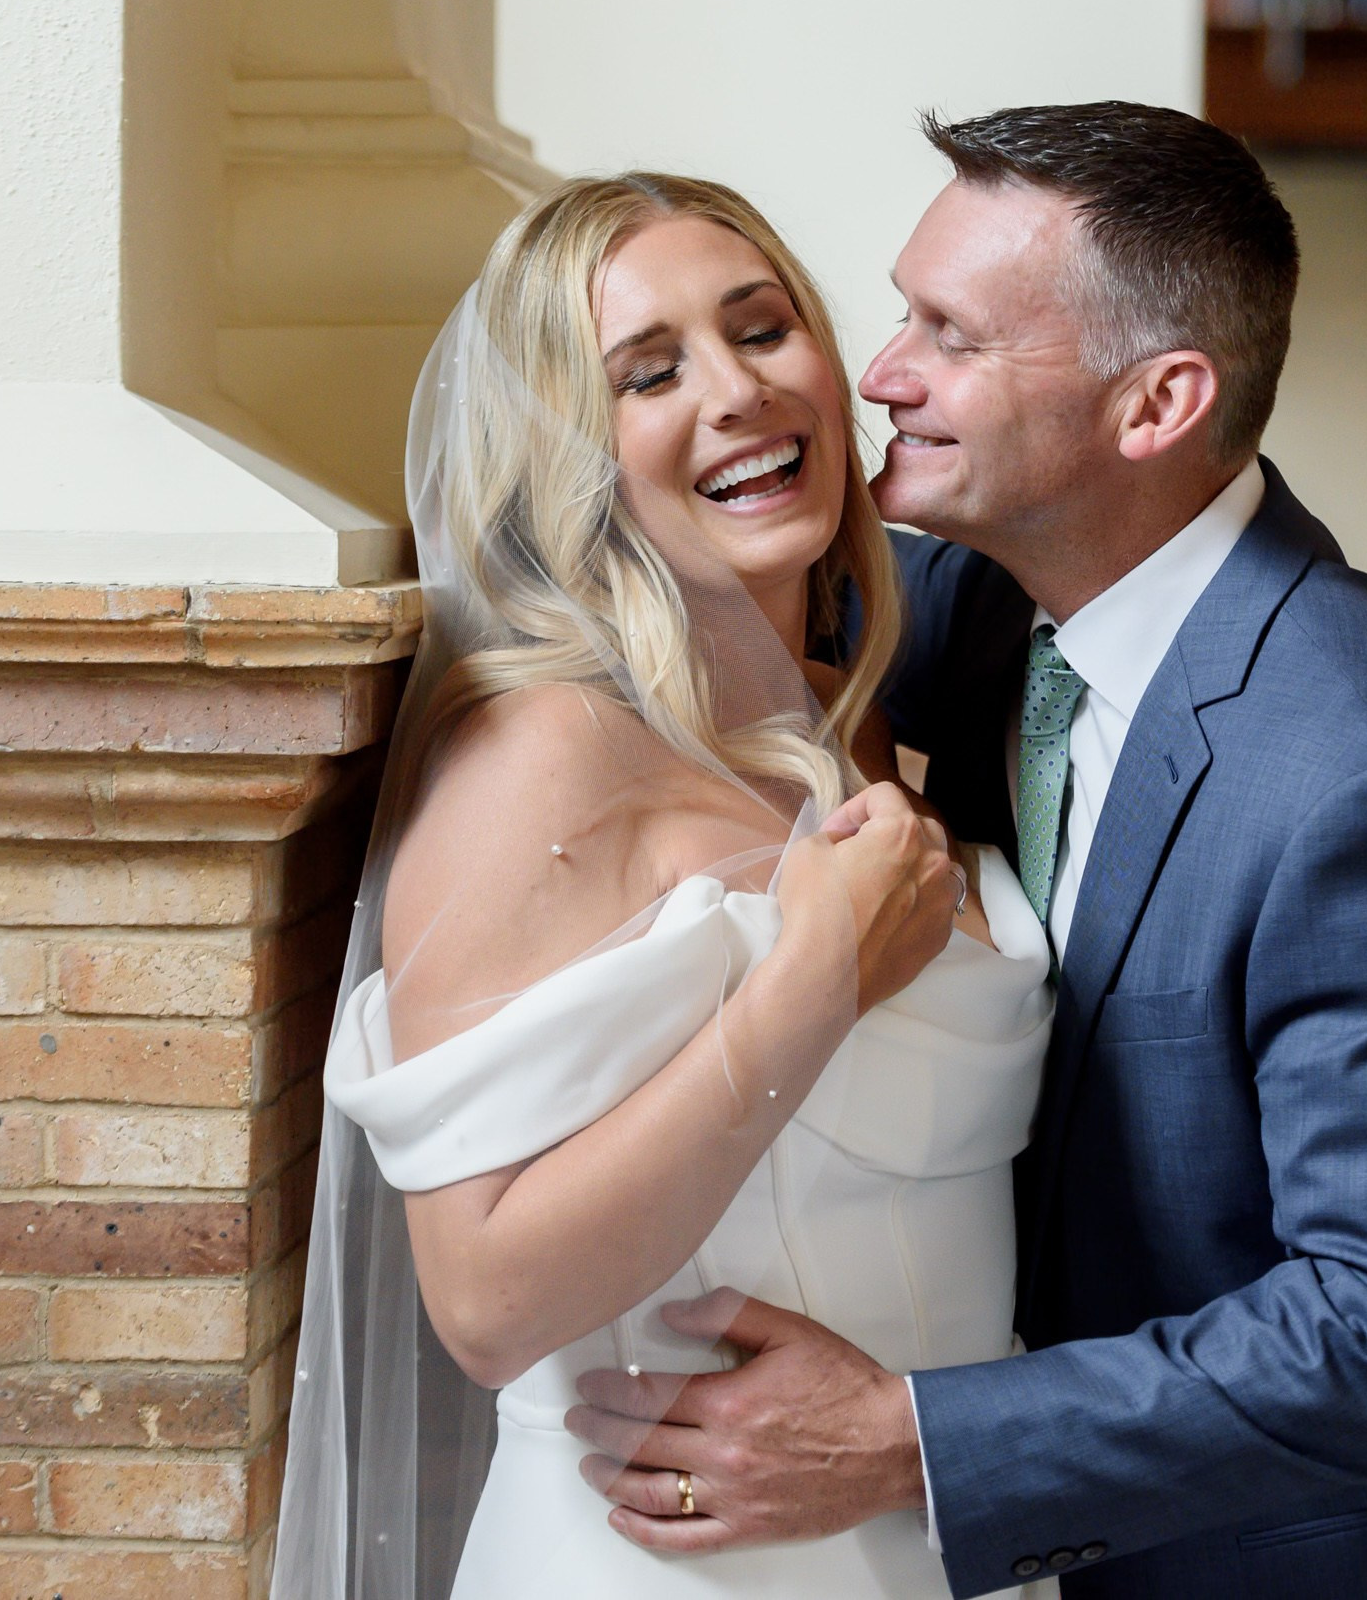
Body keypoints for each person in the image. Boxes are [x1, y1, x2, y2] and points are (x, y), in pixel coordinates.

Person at [569, 103, 1367, 1599]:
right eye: (900, 312)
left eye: (952, 337)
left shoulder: (1365, 779)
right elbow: (730, 581)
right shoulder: (990, 603)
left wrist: (907, 1440)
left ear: (1154, 406)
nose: (882, 376)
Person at [271, 171, 1058, 1600]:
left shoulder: (862, 716)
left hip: (935, 1531)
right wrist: (812, 984)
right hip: (667, 1563)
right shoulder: (540, 758)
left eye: (762, 332)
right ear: (568, 449)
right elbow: (488, 1304)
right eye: (650, 373)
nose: (737, 391)